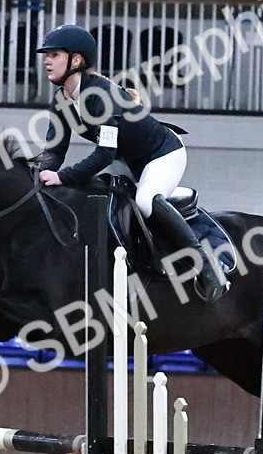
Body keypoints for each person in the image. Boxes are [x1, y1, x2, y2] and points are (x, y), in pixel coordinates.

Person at [34, 24, 225, 303]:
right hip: (131, 162)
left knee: (146, 201)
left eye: (54, 54)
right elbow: (53, 150)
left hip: (163, 154)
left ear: (76, 60)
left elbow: (103, 156)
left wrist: (62, 177)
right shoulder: (62, 100)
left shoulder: (102, 96)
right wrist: (37, 176)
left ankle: (207, 265)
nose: (47, 60)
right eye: (46, 55)